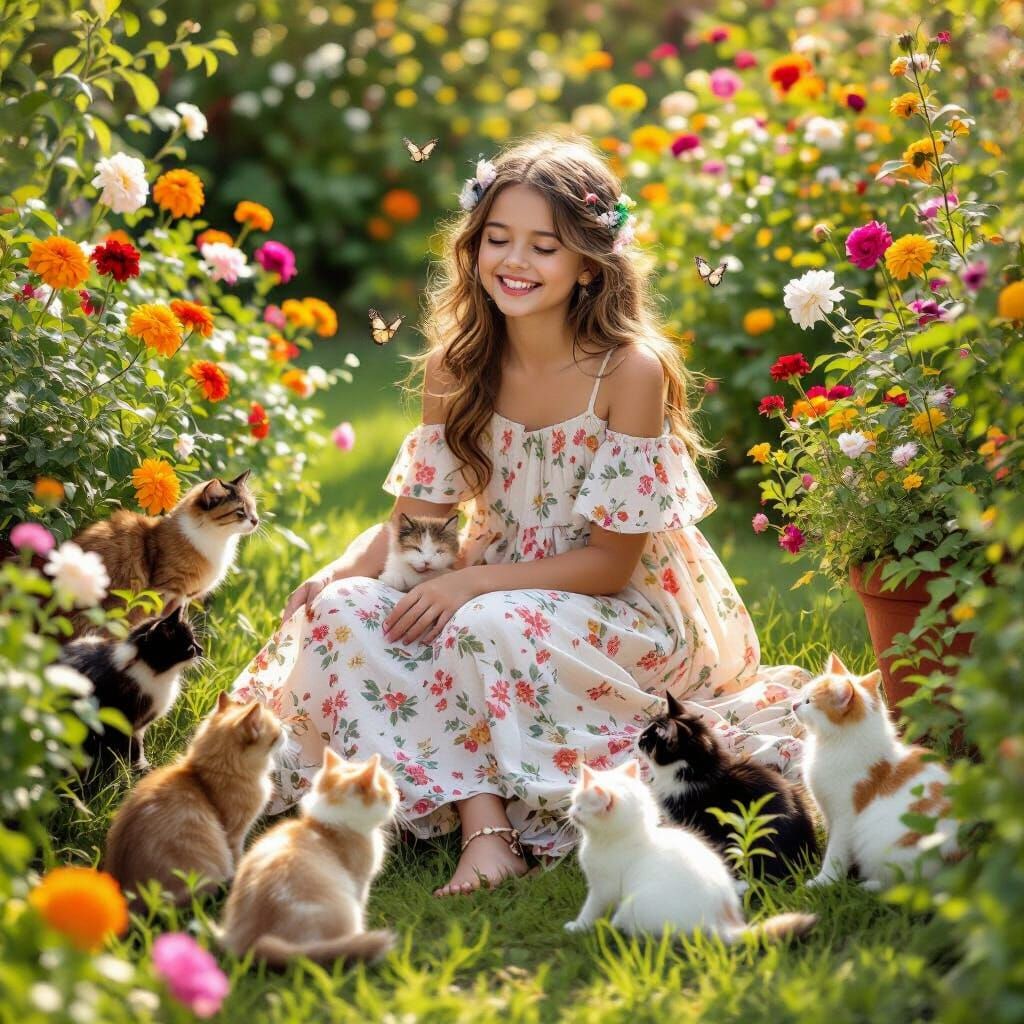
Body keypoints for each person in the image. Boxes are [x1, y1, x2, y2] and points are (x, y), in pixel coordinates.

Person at [231, 131, 808, 897]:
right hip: (495, 588)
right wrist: (344, 568)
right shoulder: (458, 364)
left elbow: (610, 563)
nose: (515, 261)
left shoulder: (627, 371)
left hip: (623, 606)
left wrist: (469, 583)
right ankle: (486, 824)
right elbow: (419, 523)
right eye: (498, 238)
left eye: (545, 246)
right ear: (473, 246)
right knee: (347, 609)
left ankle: (484, 818)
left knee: (479, 619)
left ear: (588, 263)